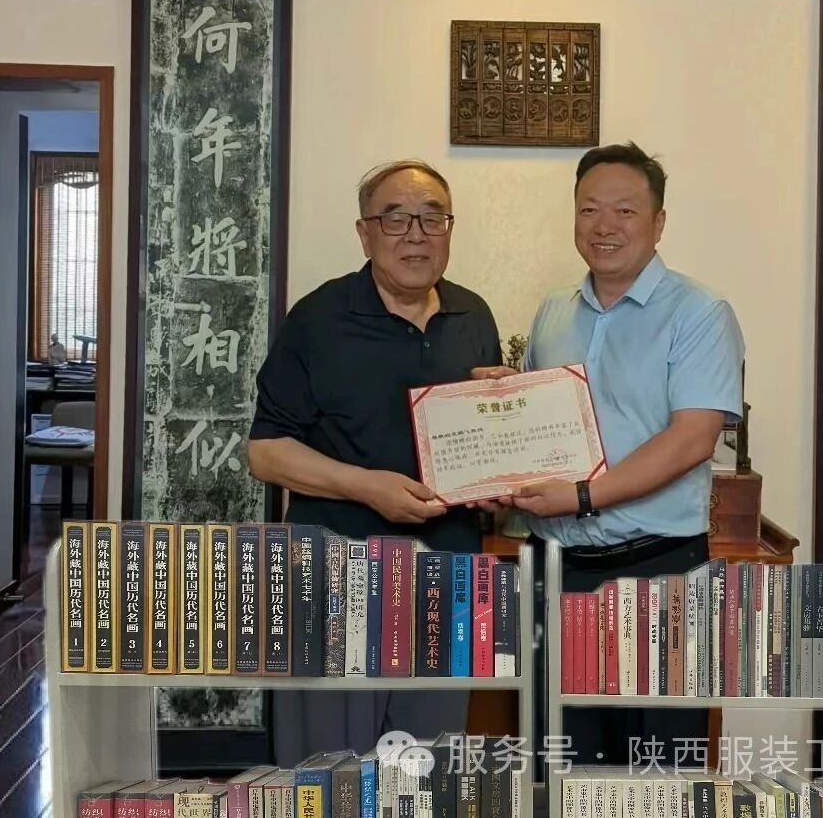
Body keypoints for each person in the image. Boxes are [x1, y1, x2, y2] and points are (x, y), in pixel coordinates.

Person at [481, 142, 744, 771]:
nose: (605, 225)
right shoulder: (553, 310)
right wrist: (503, 403)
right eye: (589, 209)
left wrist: (582, 495)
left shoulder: (700, 313)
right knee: (559, 763)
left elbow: (693, 438)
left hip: (658, 571)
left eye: (625, 211)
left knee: (659, 770)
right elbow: (540, 427)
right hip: (554, 570)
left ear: (658, 221)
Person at [247, 159, 503, 766]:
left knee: (428, 768)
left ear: (449, 229)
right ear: (365, 234)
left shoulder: (473, 316)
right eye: (395, 219)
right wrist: (366, 487)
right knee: (328, 769)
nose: (416, 234)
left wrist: (501, 458)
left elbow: (481, 449)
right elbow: (265, 452)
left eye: (433, 218)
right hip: (336, 571)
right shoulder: (317, 319)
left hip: (447, 576)